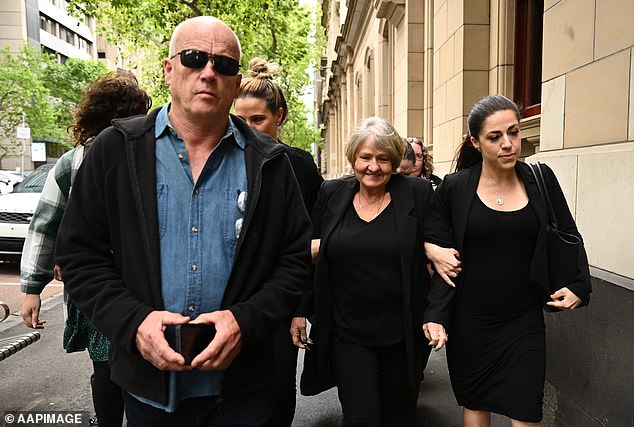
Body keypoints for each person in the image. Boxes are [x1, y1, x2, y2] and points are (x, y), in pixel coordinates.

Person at [55, 16, 312, 426]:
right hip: (149, 390)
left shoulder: (272, 163)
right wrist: (133, 321)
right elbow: (80, 255)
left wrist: (244, 321)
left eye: (224, 65)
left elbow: (294, 261)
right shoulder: (115, 151)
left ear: (236, 79)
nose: (209, 72)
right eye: (194, 58)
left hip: (243, 392)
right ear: (169, 69)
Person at [423, 94, 591, 427]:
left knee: (527, 410)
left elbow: (569, 234)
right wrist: (430, 252)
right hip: (470, 322)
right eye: (495, 137)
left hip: (522, 321)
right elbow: (434, 241)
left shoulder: (540, 181)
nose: (508, 144)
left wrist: (579, 286)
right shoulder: (456, 188)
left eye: (513, 133)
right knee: (475, 405)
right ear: (475, 141)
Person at [294, 116, 455, 426]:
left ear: (394, 161)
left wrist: (436, 315)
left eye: (383, 159)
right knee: (361, 416)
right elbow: (304, 254)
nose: (374, 166)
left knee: (395, 415)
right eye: (366, 157)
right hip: (347, 331)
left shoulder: (417, 193)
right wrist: (299, 310)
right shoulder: (332, 193)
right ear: (354, 157)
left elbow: (448, 260)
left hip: (401, 332)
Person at [20, 71, 151, 427]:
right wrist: (33, 288)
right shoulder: (74, 163)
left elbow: (45, 225)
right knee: (112, 364)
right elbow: (46, 225)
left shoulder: (150, 155)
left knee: (112, 366)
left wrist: (33, 289)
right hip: (107, 285)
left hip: (115, 286)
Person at [234, 57, 323, 426]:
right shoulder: (220, 161)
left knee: (278, 393)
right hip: (230, 301)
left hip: (282, 304)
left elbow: (311, 243)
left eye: (259, 120)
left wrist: (301, 309)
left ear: (280, 116)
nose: (249, 129)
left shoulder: (299, 165)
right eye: (240, 121)